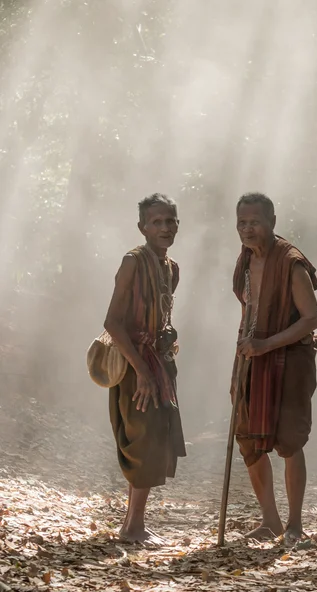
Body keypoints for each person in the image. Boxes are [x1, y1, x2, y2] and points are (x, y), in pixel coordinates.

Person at [231, 192, 317, 544]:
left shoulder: (291, 263)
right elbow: (249, 309)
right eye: (241, 222)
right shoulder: (244, 261)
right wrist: (249, 347)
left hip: (289, 361)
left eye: (254, 222)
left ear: (271, 222)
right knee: (248, 438)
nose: (247, 229)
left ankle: (295, 524)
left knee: (290, 440)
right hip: (251, 358)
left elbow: (312, 318)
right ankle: (270, 519)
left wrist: (266, 344)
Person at [104, 193, 186, 545]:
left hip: (159, 364)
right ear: (142, 228)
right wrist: (140, 370)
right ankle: (133, 527)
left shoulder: (171, 268)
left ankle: (132, 523)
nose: (164, 228)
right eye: (156, 222)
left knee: (153, 439)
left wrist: (165, 343)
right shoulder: (133, 262)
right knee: (142, 441)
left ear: (177, 225)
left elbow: (161, 317)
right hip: (134, 366)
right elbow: (112, 322)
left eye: (170, 221)